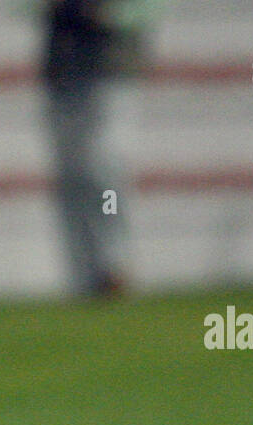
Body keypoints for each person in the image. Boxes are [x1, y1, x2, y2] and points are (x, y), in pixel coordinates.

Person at [35, 0, 158, 296]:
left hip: (108, 71)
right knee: (73, 177)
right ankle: (85, 273)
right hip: (64, 73)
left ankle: (115, 264)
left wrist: (103, 14)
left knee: (102, 168)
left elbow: (140, 12)